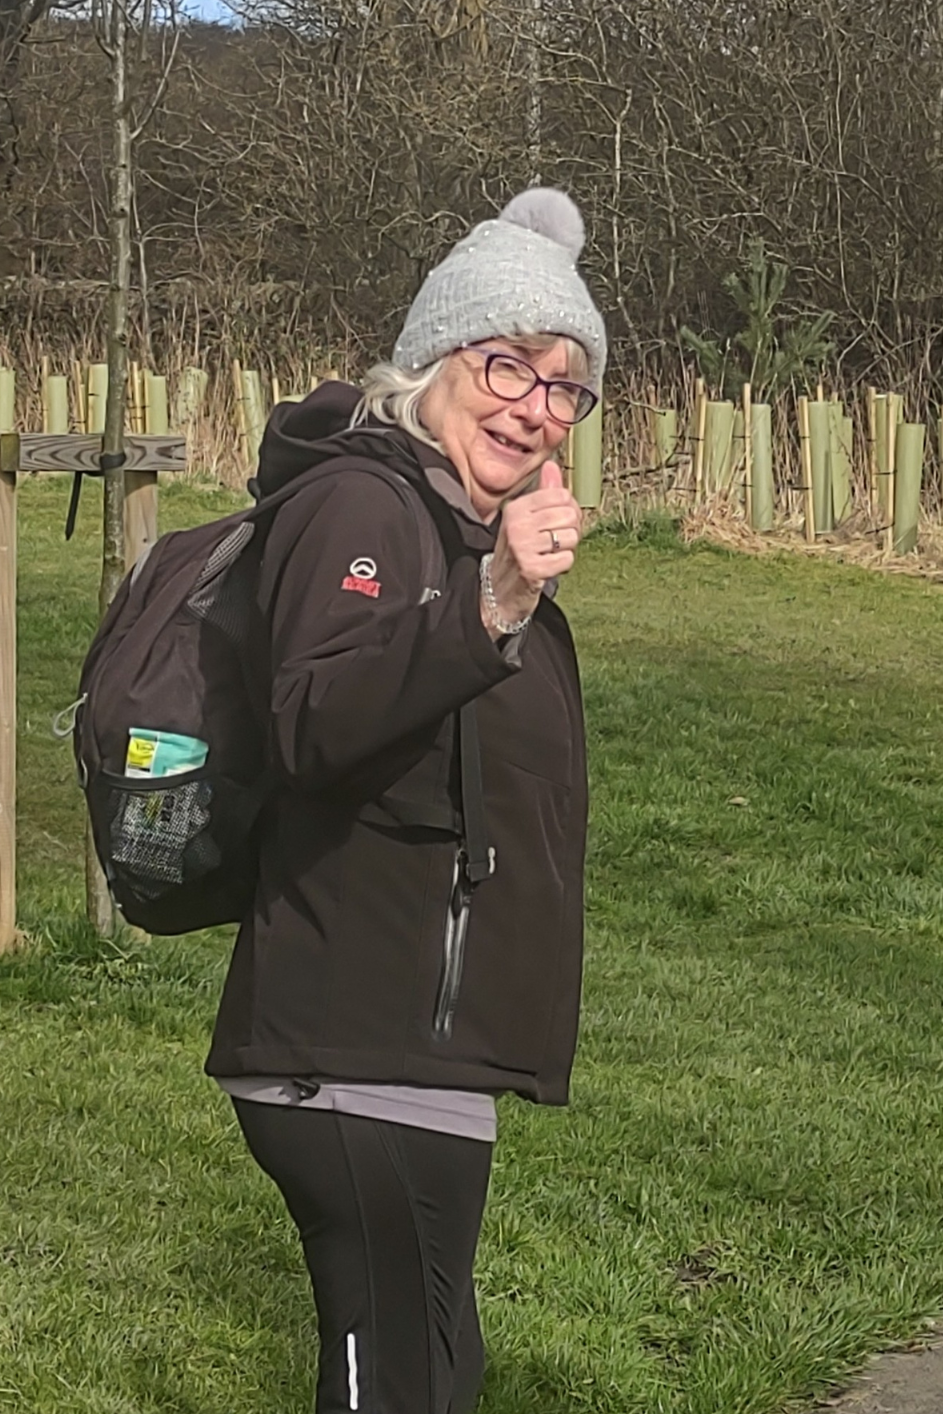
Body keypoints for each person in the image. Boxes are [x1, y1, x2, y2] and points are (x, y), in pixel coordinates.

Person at [203, 187, 606, 1414]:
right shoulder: (361, 504)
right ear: (434, 357)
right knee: (399, 1379)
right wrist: (491, 605)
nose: (533, 408)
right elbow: (312, 718)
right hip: (349, 1043)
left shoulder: (452, 524)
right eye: (507, 366)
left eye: (565, 389)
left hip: (419, 1055)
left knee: (429, 1373)